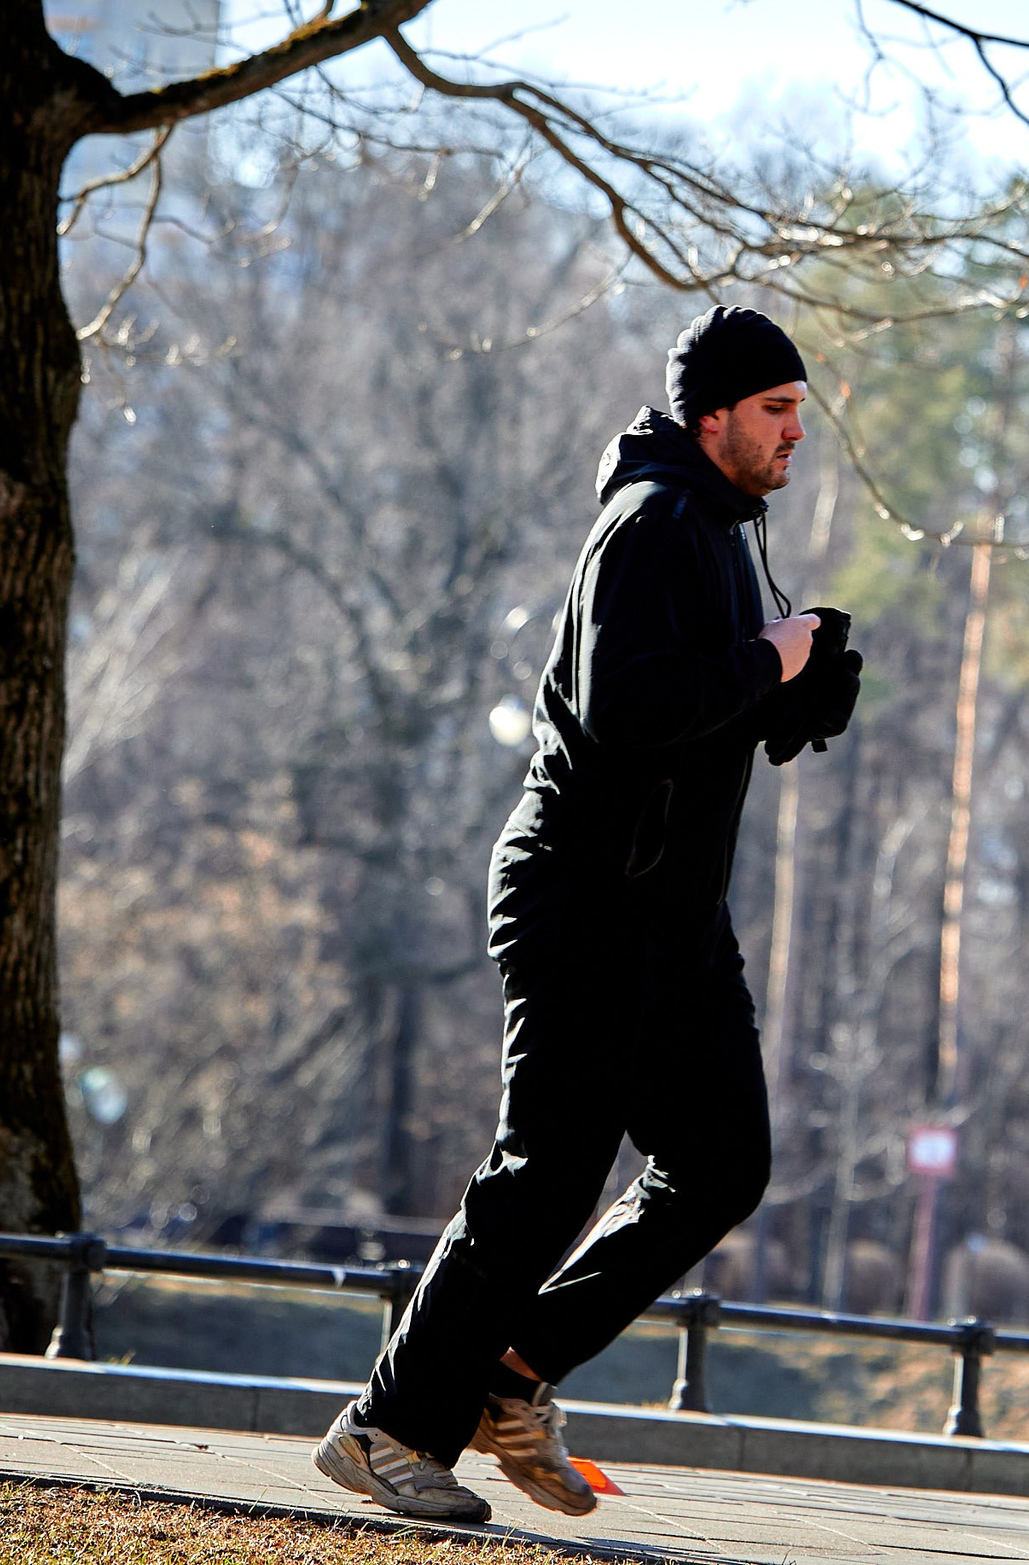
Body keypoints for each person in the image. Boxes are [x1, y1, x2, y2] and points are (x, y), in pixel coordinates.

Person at [314, 305, 863, 1520]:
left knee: (719, 1161)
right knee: (547, 1171)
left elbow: (699, 717)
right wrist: (763, 664)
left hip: (668, 909)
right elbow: (624, 709)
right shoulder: (654, 520)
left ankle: (511, 1374)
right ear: (708, 413)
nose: (793, 435)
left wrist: (798, 687)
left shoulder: (723, 535)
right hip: (582, 894)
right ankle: (390, 1428)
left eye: (798, 413)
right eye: (775, 411)